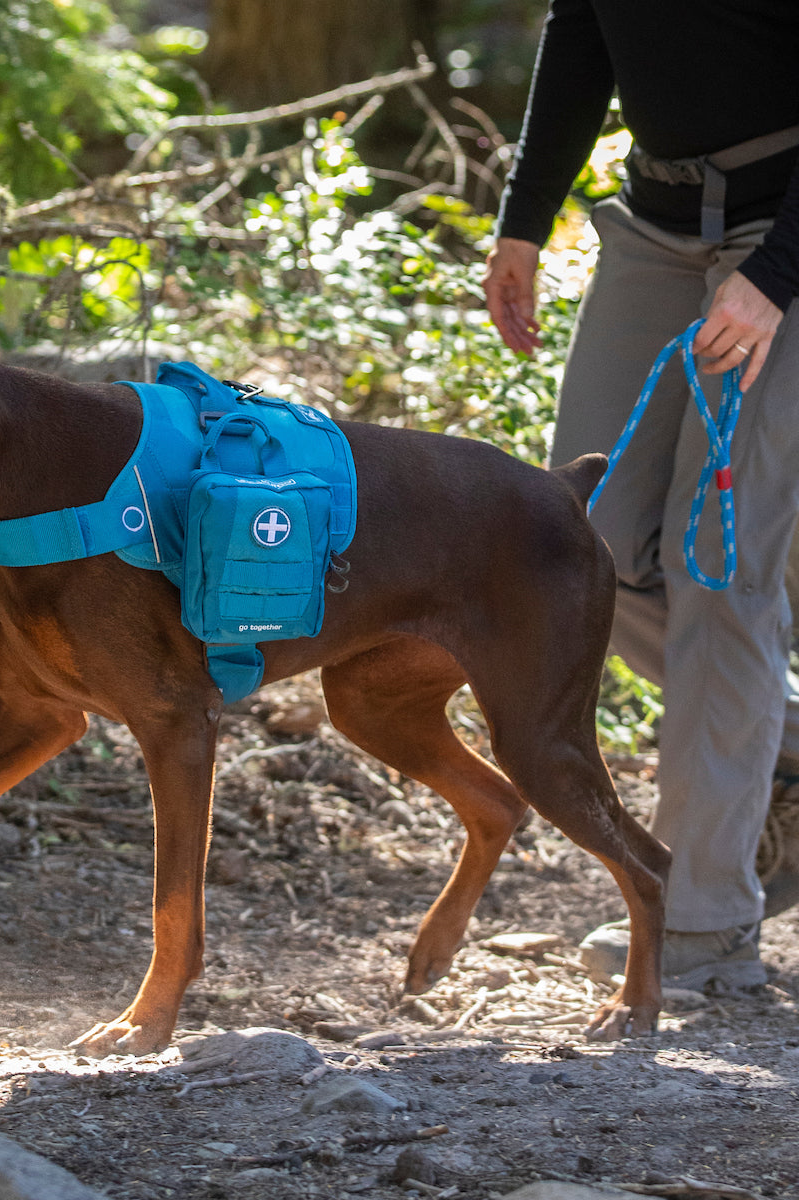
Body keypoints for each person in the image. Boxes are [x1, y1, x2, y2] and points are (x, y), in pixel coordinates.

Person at [482, 0, 799, 990]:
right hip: (656, 228)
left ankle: (704, 925)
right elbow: (585, 30)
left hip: (783, 233)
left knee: (724, 572)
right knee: (579, 542)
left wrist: (776, 277)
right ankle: (774, 741)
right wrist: (523, 222)